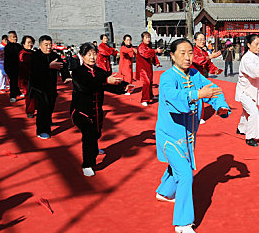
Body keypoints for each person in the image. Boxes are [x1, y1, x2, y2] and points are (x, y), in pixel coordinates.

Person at [154, 38, 230, 233]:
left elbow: (212, 89)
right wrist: (198, 94)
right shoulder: (167, 77)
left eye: (189, 53)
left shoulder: (195, 74)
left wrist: (220, 106)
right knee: (186, 173)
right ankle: (183, 223)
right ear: (172, 56)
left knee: (178, 166)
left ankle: (163, 192)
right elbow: (172, 96)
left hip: (188, 135)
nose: (187, 57)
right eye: (182, 53)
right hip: (169, 135)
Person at [71, 43, 132, 177]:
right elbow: (86, 86)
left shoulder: (99, 72)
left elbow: (108, 85)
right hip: (80, 110)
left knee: (96, 133)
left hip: (96, 110)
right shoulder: (77, 72)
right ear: (82, 56)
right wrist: (105, 80)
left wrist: (123, 87)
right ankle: (87, 164)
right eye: (89, 54)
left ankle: (93, 149)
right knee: (88, 134)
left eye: (94, 54)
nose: (92, 57)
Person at [29, 35, 71, 139]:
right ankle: (42, 130)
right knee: (42, 108)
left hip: (51, 87)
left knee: (50, 107)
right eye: (46, 45)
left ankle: (47, 122)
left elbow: (62, 66)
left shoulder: (54, 55)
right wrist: (48, 66)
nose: (48, 47)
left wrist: (66, 77)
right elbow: (33, 70)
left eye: (50, 45)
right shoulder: (35, 56)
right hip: (38, 87)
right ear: (40, 45)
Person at [136, 32, 162, 106]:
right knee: (146, 82)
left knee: (150, 81)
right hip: (142, 68)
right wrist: (156, 51)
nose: (148, 39)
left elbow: (152, 55)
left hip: (148, 67)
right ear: (142, 39)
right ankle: (144, 99)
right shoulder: (141, 47)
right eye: (146, 37)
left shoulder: (149, 46)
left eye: (149, 37)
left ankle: (150, 96)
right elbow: (146, 54)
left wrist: (156, 62)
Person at [18, 36, 36, 118]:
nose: (30, 44)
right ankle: (30, 111)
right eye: (28, 42)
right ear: (23, 43)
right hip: (26, 78)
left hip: (34, 77)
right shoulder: (22, 54)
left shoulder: (33, 53)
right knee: (29, 95)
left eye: (31, 42)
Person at [4, 31, 24, 103]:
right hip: (10, 67)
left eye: (16, 37)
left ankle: (18, 91)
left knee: (16, 80)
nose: (15, 38)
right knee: (13, 81)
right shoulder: (8, 47)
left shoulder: (19, 46)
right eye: (13, 37)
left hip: (18, 66)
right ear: (9, 38)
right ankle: (12, 96)